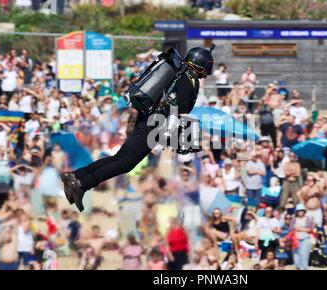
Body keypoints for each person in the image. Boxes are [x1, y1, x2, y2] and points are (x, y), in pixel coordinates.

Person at [61, 46, 214, 211]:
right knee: (124, 163)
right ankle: (81, 184)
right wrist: (181, 138)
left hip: (148, 119)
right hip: (153, 125)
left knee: (119, 159)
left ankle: (76, 177)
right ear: (200, 65)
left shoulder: (179, 74)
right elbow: (179, 113)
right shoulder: (189, 80)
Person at [291, 204, 313, 270]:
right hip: (295, 240)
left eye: (302, 211)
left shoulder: (308, 219)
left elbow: (310, 229)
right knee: (296, 258)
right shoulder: (294, 219)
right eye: (299, 211)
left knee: (304, 256)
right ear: (296, 212)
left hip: (305, 239)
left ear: (304, 211)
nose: (300, 212)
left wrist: (298, 229)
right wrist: (303, 229)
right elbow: (291, 228)